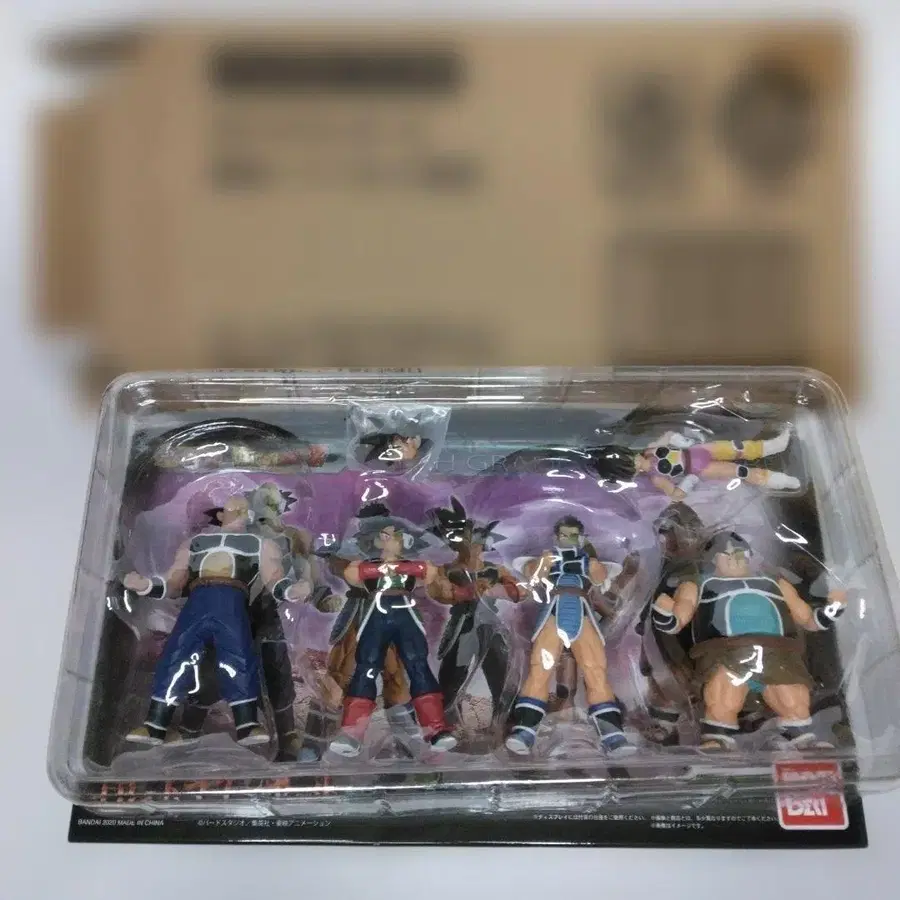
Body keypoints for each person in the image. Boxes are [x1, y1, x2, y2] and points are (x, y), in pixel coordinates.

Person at [121, 494, 310, 746]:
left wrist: (290, 590)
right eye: (233, 509)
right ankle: (156, 722)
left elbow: (273, 579)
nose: (240, 513)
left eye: (244, 510)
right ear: (220, 515)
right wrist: (146, 585)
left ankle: (247, 723)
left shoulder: (259, 544)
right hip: (198, 600)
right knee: (177, 653)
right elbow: (174, 581)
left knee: (238, 655)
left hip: (232, 601)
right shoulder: (196, 543)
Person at [652, 531, 847, 749]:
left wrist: (831, 610)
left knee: (793, 700)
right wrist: (667, 617)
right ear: (712, 560)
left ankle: (803, 740)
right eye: (726, 554)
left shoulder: (775, 583)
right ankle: (717, 740)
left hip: (777, 653)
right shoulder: (700, 584)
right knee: (722, 700)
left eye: (739, 553)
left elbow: (808, 618)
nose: (734, 559)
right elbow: (682, 611)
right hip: (726, 653)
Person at [327, 503, 456, 757]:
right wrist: (377, 566)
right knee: (366, 667)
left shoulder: (414, 563)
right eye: (382, 535)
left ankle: (436, 728)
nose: (386, 539)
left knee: (418, 666)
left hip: (405, 611)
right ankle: (351, 733)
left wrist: (407, 565)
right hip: (376, 612)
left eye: (391, 535)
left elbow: (430, 572)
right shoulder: (366, 562)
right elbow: (351, 574)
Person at [505, 516, 634, 757]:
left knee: (595, 671)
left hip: (582, 611)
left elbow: (600, 577)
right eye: (564, 534)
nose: (568, 539)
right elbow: (533, 576)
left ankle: (612, 734)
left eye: (573, 535)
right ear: (556, 537)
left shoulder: (588, 560)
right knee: (540, 669)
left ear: (581, 537)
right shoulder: (546, 557)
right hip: (553, 610)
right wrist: (544, 562)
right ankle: (525, 729)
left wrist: (591, 564)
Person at [425, 497, 523, 730]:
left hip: (490, 624)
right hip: (463, 624)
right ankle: (448, 723)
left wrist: (497, 589)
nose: (473, 547)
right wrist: (467, 591)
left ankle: (507, 721)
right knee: (453, 675)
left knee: (501, 674)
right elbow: (439, 591)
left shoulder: (494, 569)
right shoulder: (447, 569)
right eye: (466, 539)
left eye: (477, 539)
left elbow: (520, 592)